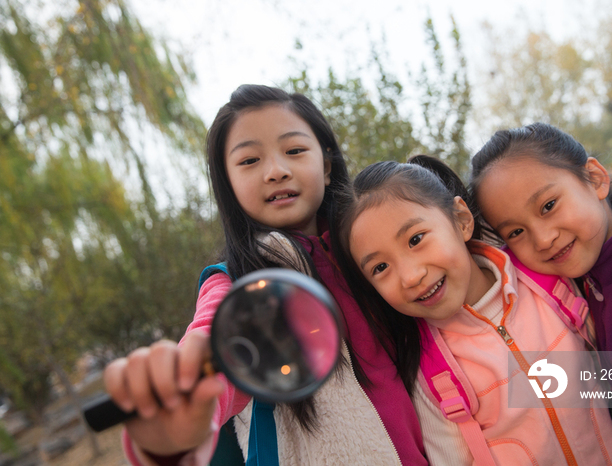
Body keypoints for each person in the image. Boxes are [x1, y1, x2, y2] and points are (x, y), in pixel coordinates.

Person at [102, 84, 428, 465]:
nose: (276, 171)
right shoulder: (237, 287)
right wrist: (177, 421)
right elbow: (207, 349)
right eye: (249, 161)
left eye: (294, 151)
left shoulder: (373, 254)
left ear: (325, 165)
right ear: (228, 183)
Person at [330, 155, 612, 465]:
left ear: (460, 220)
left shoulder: (549, 285)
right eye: (380, 267)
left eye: (416, 239)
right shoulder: (431, 370)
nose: (410, 275)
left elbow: (610, 369)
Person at [470, 122, 612, 466]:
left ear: (595, 178)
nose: (543, 238)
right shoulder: (582, 296)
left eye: (548, 205)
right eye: (517, 231)